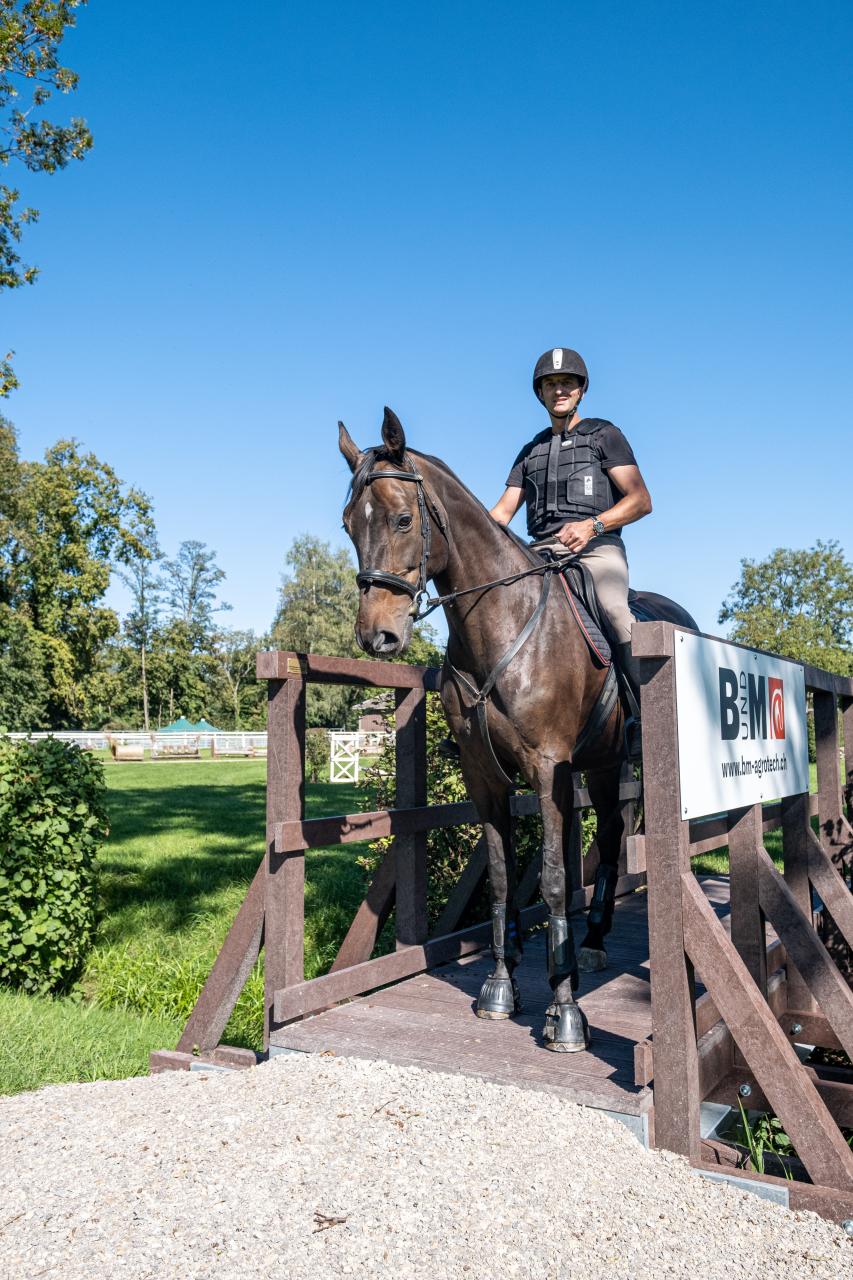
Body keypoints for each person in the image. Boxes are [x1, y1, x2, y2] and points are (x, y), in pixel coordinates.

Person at [490, 347, 652, 744]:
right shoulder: (530, 452)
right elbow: (500, 515)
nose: (558, 390)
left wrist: (593, 525)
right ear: (540, 393)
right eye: (550, 384)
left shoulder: (604, 436)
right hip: (539, 554)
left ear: (580, 390)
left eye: (566, 383)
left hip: (596, 550)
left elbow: (640, 500)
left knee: (615, 611)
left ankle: (643, 717)